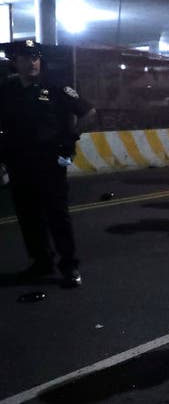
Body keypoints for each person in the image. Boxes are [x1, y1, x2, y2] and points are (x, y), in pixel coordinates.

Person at [0, 40, 96, 288]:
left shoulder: (55, 87)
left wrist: (71, 137)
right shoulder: (8, 89)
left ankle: (69, 266)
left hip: (49, 164)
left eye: (35, 57)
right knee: (28, 217)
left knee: (56, 216)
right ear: (16, 62)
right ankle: (41, 262)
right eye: (26, 58)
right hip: (18, 163)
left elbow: (89, 112)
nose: (32, 62)